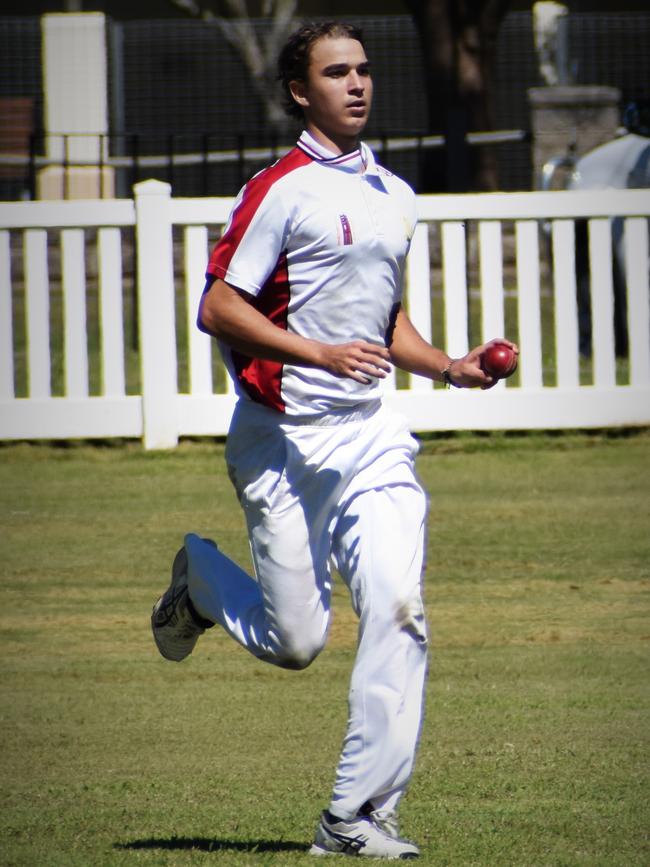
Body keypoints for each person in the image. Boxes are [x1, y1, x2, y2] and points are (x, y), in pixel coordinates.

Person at [151, 20, 517, 860]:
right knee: (298, 642)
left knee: (399, 605)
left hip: (372, 438)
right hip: (279, 442)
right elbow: (218, 307)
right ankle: (203, 582)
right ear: (298, 92)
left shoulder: (394, 193)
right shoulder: (278, 189)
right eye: (336, 72)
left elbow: (385, 323)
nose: (357, 84)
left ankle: (354, 817)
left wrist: (450, 367)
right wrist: (316, 351)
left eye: (363, 70)